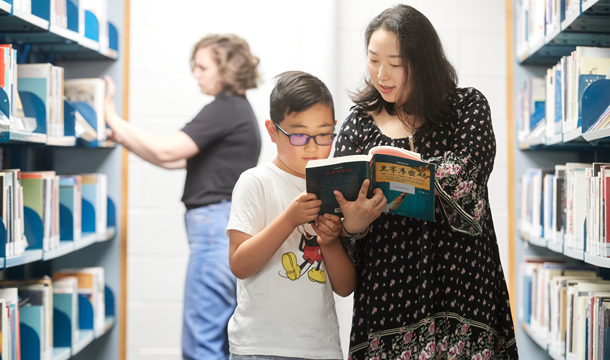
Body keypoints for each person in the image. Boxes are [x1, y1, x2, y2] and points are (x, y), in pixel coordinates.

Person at [332, 5, 519, 360]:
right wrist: (352, 225)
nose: (382, 75)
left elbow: (467, 177)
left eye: (396, 63)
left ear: (424, 61)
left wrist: (398, 175)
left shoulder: (468, 107)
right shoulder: (358, 124)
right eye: (373, 61)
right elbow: (344, 213)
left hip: (463, 292)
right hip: (388, 298)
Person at [103, 34, 262, 360]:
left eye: (203, 67)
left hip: (214, 230)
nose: (196, 74)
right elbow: (175, 159)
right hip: (224, 227)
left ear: (226, 69)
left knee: (201, 343)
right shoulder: (239, 111)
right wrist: (121, 135)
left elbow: (166, 150)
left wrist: (111, 117)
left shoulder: (225, 108)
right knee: (217, 338)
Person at [226, 71, 354, 360]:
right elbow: (239, 264)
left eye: (323, 134)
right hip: (260, 347)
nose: (312, 146)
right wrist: (289, 219)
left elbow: (345, 288)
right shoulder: (256, 181)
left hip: (319, 348)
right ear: (272, 131)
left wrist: (331, 241)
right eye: (298, 135)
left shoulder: (336, 186)